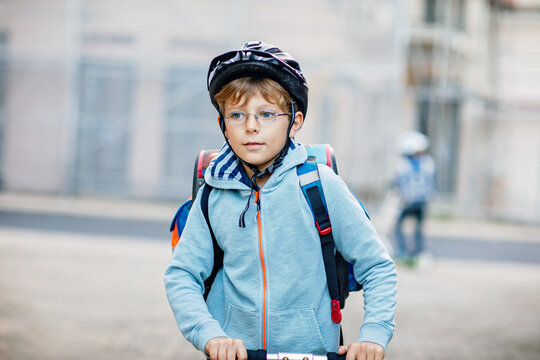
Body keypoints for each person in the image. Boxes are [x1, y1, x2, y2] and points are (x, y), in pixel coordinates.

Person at [164, 41, 396, 360]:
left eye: (267, 114)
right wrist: (210, 334)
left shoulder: (320, 185)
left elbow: (377, 266)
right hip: (236, 355)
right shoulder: (213, 194)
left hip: (312, 352)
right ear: (223, 125)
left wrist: (374, 335)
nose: (251, 126)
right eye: (237, 115)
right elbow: (183, 274)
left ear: (295, 122)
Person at [393, 130, 436, 260]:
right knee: (418, 228)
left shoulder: (403, 165)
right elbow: (433, 182)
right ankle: (418, 252)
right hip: (423, 200)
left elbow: (398, 183)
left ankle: (402, 251)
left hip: (409, 201)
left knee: (398, 226)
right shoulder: (428, 163)